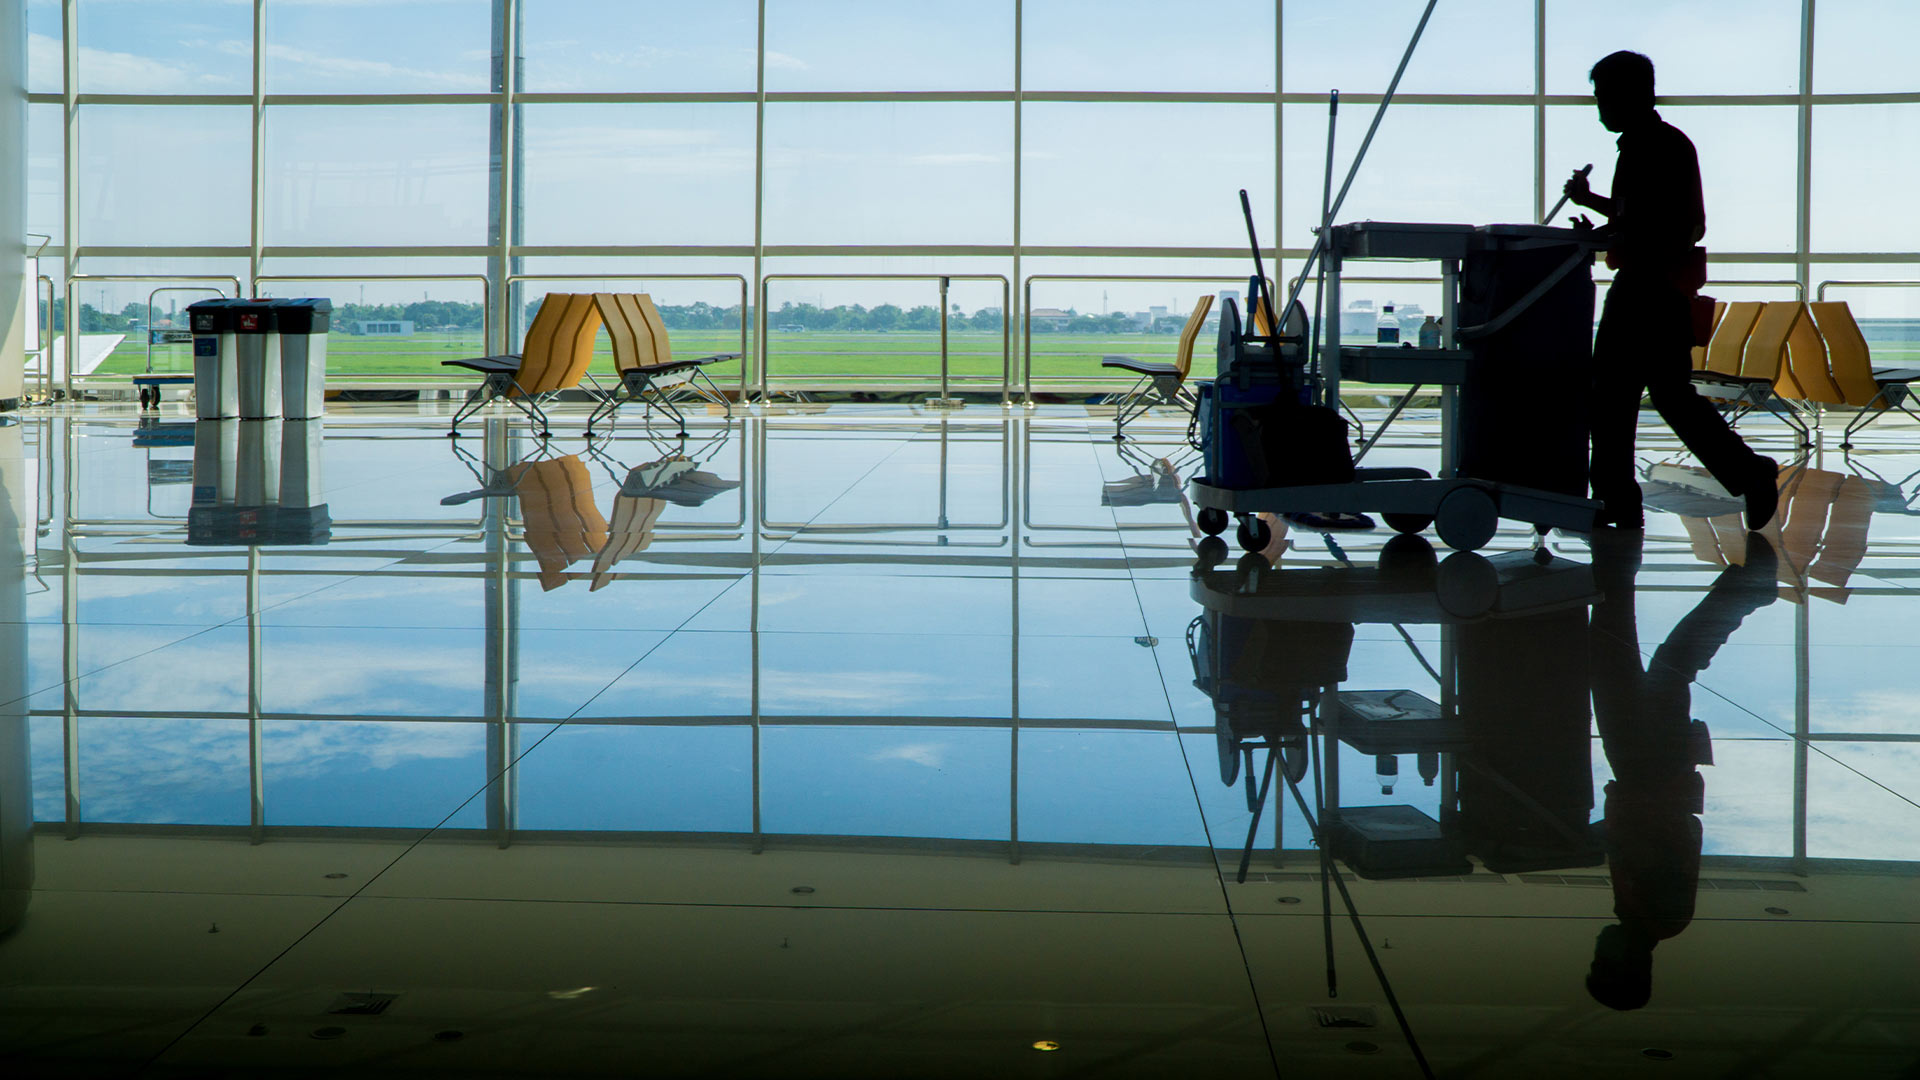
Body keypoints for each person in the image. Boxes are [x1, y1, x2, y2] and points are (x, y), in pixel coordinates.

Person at [1564, 51, 1779, 532]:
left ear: (1633, 95)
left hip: (1647, 289)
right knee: (1664, 395)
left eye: (1604, 97)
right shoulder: (1655, 145)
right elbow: (1646, 218)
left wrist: (1611, 234)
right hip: (1655, 287)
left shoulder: (1655, 147)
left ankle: (1619, 500)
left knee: (1618, 398)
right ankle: (1745, 474)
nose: (1600, 108)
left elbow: (1669, 226)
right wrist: (1600, 212)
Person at [1584, 528, 1778, 1009]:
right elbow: (1648, 846)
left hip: (1648, 772)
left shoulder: (1644, 919)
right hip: (1649, 769)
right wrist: (1589, 837)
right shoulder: (1660, 919)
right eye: (1599, 964)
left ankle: (1744, 588)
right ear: (1627, 966)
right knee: (1633, 662)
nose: (1595, 953)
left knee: (1649, 663)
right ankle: (1742, 588)